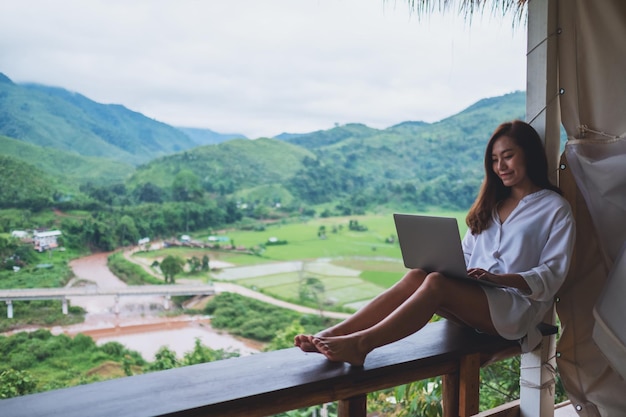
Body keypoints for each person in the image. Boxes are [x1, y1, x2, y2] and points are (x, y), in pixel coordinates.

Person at [294, 120, 576, 366]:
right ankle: (333, 334)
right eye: (493, 159)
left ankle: (360, 346)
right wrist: (453, 265)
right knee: (419, 274)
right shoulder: (491, 204)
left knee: (436, 284)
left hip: (515, 310)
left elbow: (552, 275)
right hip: (477, 298)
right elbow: (464, 254)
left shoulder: (554, 208)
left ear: (529, 154)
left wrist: (501, 278)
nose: (500, 166)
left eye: (508, 156)